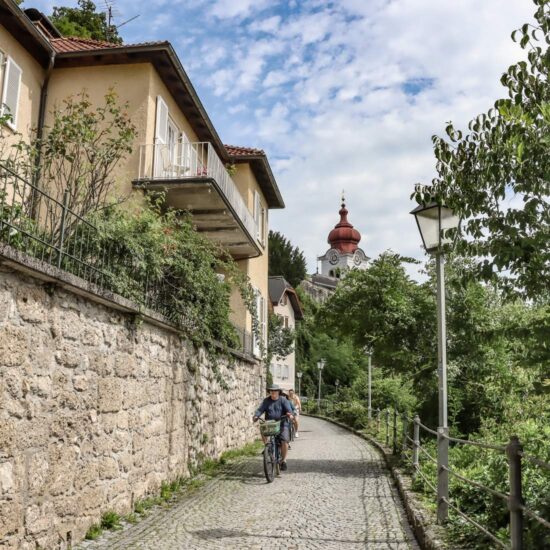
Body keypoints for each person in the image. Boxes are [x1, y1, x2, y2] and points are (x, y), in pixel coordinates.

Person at [253, 384, 294, 471]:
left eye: (275, 391)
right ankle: (267, 446)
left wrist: (289, 415)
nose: (273, 392)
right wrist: (256, 416)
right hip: (270, 423)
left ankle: (283, 461)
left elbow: (289, 410)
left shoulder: (283, 400)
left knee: (284, 441)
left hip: (282, 423)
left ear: (278, 392)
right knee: (262, 428)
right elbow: (260, 410)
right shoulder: (266, 401)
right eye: (271, 391)